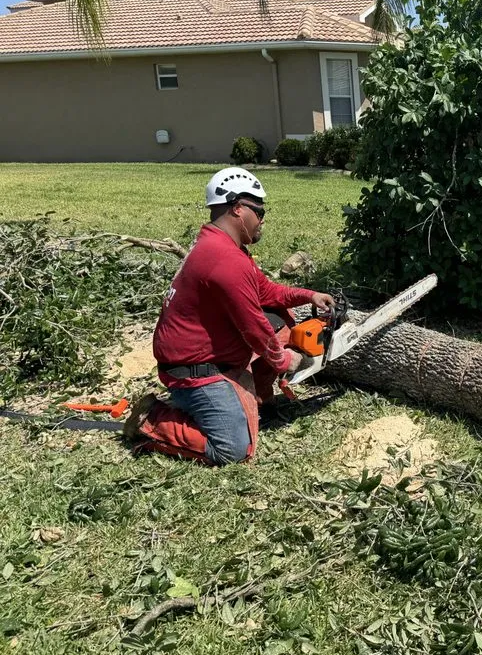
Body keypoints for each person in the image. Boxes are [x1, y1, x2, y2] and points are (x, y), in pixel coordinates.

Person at [124, 166, 337, 465]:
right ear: (238, 208)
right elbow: (254, 328)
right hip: (195, 372)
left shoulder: (224, 247)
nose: (263, 220)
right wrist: (287, 361)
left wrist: (308, 295)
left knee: (281, 319)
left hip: (208, 355)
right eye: (259, 212)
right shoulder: (224, 260)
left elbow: (266, 292)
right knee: (233, 449)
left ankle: (259, 398)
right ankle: (152, 418)